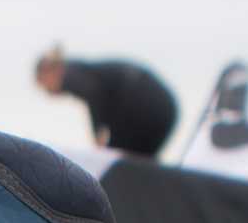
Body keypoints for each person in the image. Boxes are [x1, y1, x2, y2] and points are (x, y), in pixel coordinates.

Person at [35, 46, 178, 158]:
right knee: (137, 161)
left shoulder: (69, 74)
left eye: (43, 84)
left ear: (50, 72)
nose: (47, 91)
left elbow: (92, 92)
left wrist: (98, 134)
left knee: (115, 160)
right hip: (164, 107)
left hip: (143, 103)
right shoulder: (84, 70)